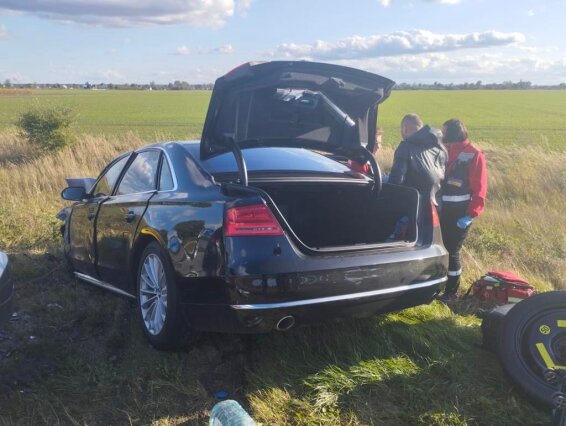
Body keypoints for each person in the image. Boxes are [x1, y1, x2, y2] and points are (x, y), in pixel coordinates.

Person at [438, 119, 487, 301]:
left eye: (444, 132)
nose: (441, 135)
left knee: (452, 251)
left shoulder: (474, 155)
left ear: (452, 134)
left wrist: (471, 214)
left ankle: (451, 292)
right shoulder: (445, 150)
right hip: (441, 210)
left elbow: (480, 189)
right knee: (440, 249)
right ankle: (439, 286)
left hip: (459, 214)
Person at [388, 113, 447, 205]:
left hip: (412, 205)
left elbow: (395, 181)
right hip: (434, 205)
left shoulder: (405, 147)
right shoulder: (439, 149)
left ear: (404, 129)